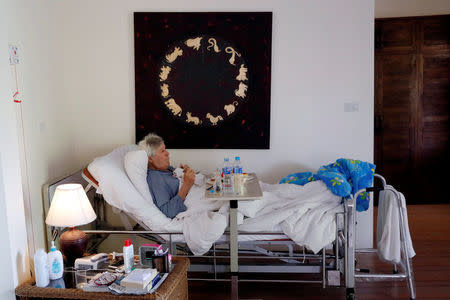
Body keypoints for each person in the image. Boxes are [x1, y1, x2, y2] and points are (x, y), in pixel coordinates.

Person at [138, 133, 195, 218]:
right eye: (162, 151)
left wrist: (184, 172)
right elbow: (168, 211)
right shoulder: (155, 179)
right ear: (150, 158)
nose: (167, 153)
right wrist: (186, 184)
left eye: (165, 149)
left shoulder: (166, 169)